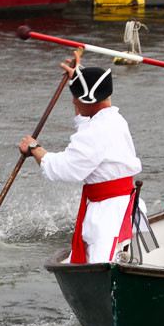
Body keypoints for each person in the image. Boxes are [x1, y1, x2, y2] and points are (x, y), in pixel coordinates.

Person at [18, 48, 143, 264]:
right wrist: (79, 78)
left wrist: (35, 149)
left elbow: (65, 169)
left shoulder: (95, 132)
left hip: (108, 215)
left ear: (89, 101)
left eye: (77, 98)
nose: (74, 102)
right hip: (125, 205)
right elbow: (86, 122)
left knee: (103, 268)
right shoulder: (114, 119)